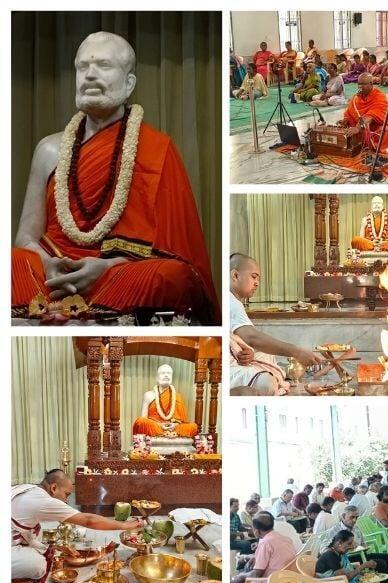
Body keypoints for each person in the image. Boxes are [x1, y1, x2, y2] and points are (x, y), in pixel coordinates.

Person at [12, 32, 219, 323]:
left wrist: (106, 267)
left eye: (103, 65)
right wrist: (48, 264)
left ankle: (72, 306)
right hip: (53, 271)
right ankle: (57, 302)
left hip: (117, 273)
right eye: (82, 67)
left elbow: (172, 251)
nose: (90, 75)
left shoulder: (156, 148)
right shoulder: (49, 149)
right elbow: (26, 236)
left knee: (174, 275)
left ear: (129, 83)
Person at [11, 470, 141, 579]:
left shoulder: (29, 489)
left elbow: (26, 529)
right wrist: (125, 525)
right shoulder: (44, 501)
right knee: (37, 566)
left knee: (40, 540)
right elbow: (88, 520)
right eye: (66, 494)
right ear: (54, 488)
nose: (67, 500)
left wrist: (56, 546)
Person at [229, 253, 322, 395]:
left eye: (258, 278)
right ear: (235, 276)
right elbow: (251, 337)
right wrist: (297, 352)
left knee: (266, 355)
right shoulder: (231, 302)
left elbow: (237, 340)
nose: (257, 283)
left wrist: (246, 352)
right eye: (253, 277)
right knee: (266, 382)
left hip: (232, 358)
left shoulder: (233, 301)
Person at [320, 506, 388, 583]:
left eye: (356, 517)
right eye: (352, 517)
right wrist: (343, 548)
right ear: (343, 516)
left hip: (360, 554)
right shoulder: (334, 530)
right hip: (347, 559)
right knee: (380, 564)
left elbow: (362, 544)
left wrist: (363, 546)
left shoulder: (356, 528)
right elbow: (323, 549)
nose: (354, 520)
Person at [230, 513, 296, 583]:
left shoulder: (266, 543)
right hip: (286, 582)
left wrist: (238, 577)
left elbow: (256, 574)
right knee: (247, 582)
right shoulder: (284, 539)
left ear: (256, 531)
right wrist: (253, 557)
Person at [338, 73, 388, 152]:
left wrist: (357, 128)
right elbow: (349, 112)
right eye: (359, 84)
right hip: (359, 127)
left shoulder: (379, 96)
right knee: (346, 132)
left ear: (371, 84)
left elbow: (370, 116)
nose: (360, 87)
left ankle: (371, 146)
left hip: (373, 127)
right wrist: (345, 120)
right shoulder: (356, 98)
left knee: (386, 132)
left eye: (363, 84)